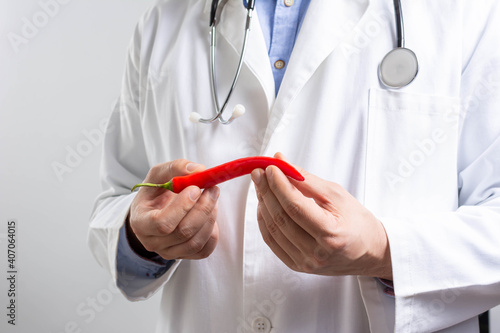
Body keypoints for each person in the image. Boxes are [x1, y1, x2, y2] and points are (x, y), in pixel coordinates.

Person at [88, 0, 500, 332]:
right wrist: (140, 238)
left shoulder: (467, 12)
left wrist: (383, 249)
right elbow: (118, 196)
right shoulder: (162, 24)